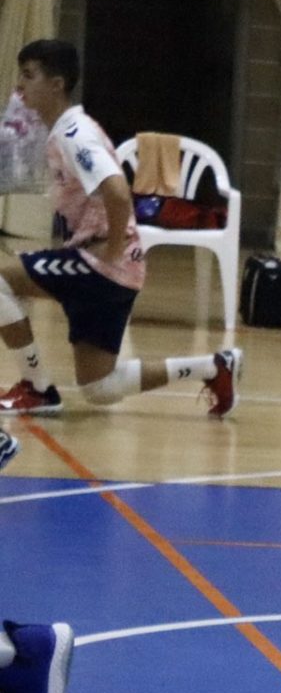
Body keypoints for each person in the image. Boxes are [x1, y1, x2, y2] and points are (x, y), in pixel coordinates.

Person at [0, 40, 239, 418]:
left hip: (100, 266)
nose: (20, 85)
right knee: (100, 387)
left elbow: (117, 190)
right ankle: (213, 367)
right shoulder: (61, 130)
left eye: (29, 76)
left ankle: (36, 388)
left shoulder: (74, 134)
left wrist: (110, 250)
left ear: (57, 84)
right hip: (117, 269)